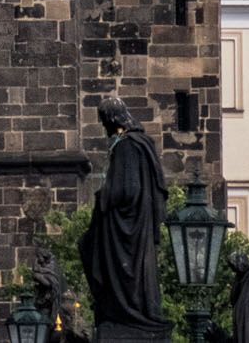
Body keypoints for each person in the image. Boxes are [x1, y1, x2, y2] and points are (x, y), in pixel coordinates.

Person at [81, 96, 166, 330]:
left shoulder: (127, 145)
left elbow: (128, 188)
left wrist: (103, 196)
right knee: (87, 246)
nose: (103, 126)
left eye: (103, 121)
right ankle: (117, 308)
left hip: (126, 227)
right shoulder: (138, 143)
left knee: (90, 248)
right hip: (132, 223)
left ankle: (121, 311)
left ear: (111, 118)